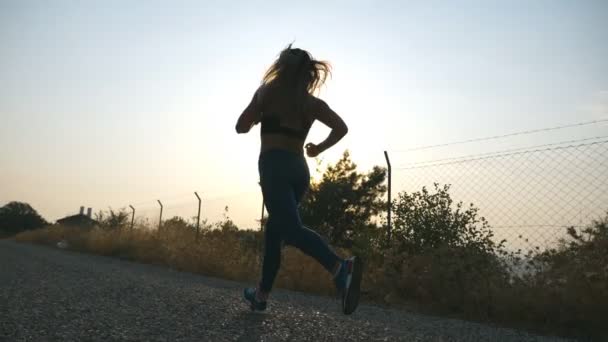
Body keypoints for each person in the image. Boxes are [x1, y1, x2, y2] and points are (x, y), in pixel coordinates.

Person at [235, 45, 362, 315]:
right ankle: (260, 295)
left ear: (280, 67)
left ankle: (340, 267)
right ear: (306, 74)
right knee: (275, 233)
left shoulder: (266, 93)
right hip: (299, 170)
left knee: (290, 229)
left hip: (273, 165)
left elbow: (240, 126)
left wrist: (256, 118)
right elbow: (341, 128)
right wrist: (318, 149)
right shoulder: (310, 103)